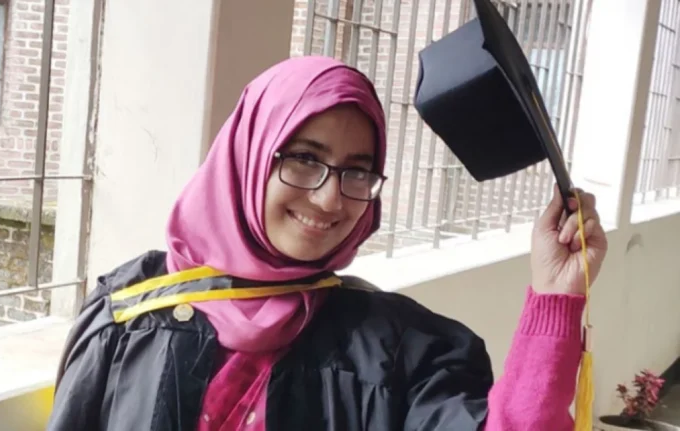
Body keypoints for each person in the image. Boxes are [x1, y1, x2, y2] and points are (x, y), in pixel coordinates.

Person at [46, 56, 607, 431]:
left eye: (357, 172)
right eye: (304, 159)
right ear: (247, 157)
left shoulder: (403, 351)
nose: (329, 199)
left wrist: (555, 298)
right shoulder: (130, 314)